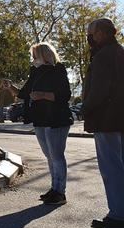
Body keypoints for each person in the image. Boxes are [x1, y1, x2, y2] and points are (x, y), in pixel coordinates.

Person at [82, 18, 124, 228]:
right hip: (120, 117)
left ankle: (120, 215)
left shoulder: (103, 56)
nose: (88, 36)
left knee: (112, 168)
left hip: (105, 118)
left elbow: (99, 91)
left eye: (91, 32)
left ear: (101, 33)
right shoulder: (120, 53)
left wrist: (85, 108)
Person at [5, 42, 73, 205]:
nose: (33, 59)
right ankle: (54, 189)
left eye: (35, 56)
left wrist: (42, 95)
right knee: (49, 157)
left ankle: (60, 192)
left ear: (45, 55)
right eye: (33, 56)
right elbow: (24, 93)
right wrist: (10, 87)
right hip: (40, 119)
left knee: (57, 156)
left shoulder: (58, 69)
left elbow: (65, 95)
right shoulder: (36, 72)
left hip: (57, 118)